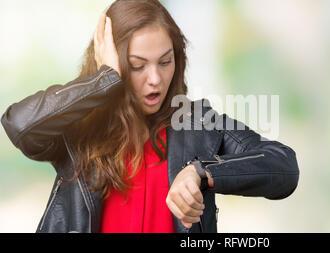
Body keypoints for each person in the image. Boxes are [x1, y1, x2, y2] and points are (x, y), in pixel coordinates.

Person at [1, 0, 299, 233]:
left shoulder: (197, 122)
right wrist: (103, 81)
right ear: (113, 63)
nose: (155, 78)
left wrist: (202, 172)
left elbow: (284, 166)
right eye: (137, 65)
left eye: (165, 62)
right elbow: (19, 125)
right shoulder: (81, 128)